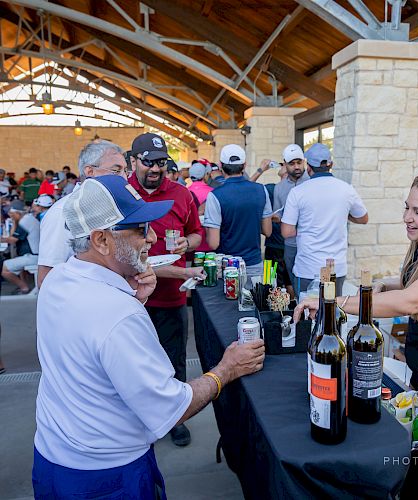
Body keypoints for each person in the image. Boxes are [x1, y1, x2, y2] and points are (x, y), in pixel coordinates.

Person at [32, 174, 265, 499]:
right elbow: (169, 408)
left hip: (52, 456)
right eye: (140, 229)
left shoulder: (58, 280)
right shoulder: (117, 314)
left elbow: (91, 352)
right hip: (108, 476)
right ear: (101, 240)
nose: (152, 237)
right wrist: (227, 369)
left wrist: (134, 297)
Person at [295, 170, 418, 424]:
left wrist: (334, 302)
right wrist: (381, 283)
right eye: (407, 208)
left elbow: (410, 300)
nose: (407, 218)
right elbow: (413, 283)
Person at [128, 132, 204, 447]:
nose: (156, 169)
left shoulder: (182, 194)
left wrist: (189, 242)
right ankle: (140, 420)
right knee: (135, 362)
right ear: (133, 161)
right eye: (148, 162)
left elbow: (197, 234)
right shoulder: (123, 194)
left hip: (172, 297)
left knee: (174, 361)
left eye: (161, 162)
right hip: (131, 297)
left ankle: (175, 419)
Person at [37, 140, 128, 287]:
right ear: (90, 172)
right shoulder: (62, 213)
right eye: (116, 170)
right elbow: (46, 278)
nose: (124, 178)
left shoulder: (112, 206)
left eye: (125, 171)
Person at [281, 143, 368, 295]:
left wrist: (305, 226)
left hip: (307, 267)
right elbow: (363, 218)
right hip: (337, 267)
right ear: (331, 164)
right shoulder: (346, 189)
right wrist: (343, 214)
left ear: (308, 166)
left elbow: (287, 232)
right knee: (332, 313)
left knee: (306, 315)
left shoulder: (298, 192)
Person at [204, 144, 272, 275]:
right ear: (244, 165)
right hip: (254, 263)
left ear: (220, 165)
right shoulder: (261, 190)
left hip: (227, 266)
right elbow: (267, 231)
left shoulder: (215, 195)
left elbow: (213, 243)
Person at [273, 144, 309, 288]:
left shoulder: (312, 182)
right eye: (292, 163)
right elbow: (277, 214)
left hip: (311, 243)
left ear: (304, 162)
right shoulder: (279, 188)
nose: (296, 167)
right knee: (294, 282)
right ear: (285, 164)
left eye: (299, 162)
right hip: (290, 244)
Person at [0, 200, 40, 294]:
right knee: (17, 259)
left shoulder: (25, 221)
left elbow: (12, 240)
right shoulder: (27, 218)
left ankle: (24, 288)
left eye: (12, 214)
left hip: (33, 256)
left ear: (18, 212)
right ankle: (24, 285)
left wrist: (1, 239)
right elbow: (12, 235)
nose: (10, 216)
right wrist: (14, 221)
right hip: (34, 254)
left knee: (4, 269)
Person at [264, 164, 293, 293]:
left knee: (270, 283)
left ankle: (277, 311)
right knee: (288, 282)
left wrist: (260, 169)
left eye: (285, 164)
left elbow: (243, 188)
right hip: (285, 246)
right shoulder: (272, 188)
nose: (281, 165)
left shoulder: (272, 189)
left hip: (276, 246)